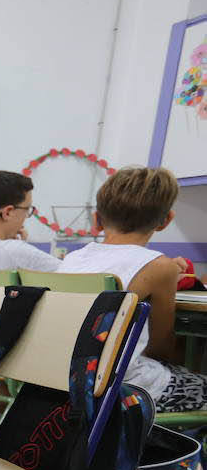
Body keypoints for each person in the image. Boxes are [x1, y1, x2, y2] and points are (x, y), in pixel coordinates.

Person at [59, 166, 204, 412]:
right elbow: (160, 348)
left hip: (66, 378)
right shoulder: (160, 267)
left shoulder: (72, 259)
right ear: (166, 220)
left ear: (97, 219)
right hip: (120, 386)